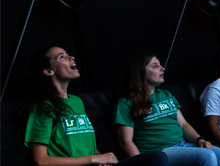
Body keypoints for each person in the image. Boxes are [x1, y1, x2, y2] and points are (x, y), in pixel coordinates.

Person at [21, 46, 168, 166]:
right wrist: (94, 159)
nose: (71, 57)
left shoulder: (76, 101)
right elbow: (40, 160)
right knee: (157, 159)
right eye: (61, 56)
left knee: (156, 158)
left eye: (68, 54)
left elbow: (86, 145)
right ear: (48, 71)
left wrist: (101, 158)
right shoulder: (42, 106)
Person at [114, 51, 220, 166]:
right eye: (155, 66)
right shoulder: (126, 103)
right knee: (207, 156)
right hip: (159, 151)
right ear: (140, 72)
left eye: (160, 65)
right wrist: (143, 162)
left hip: (183, 145)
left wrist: (199, 139)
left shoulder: (167, 95)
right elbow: (126, 141)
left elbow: (183, 124)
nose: (162, 68)